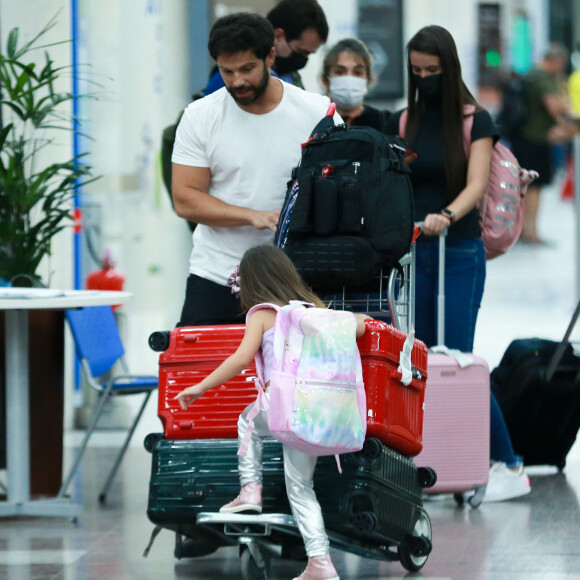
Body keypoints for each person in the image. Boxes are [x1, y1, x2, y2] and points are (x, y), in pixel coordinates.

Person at [384, 25, 531, 502]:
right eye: (417, 70)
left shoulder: (476, 120)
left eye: (433, 70)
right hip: (418, 251)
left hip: (460, 250)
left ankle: (509, 464)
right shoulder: (405, 120)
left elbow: (475, 184)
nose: (424, 78)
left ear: (449, 68)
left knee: (460, 361)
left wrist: (446, 216)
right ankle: (441, 462)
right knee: (424, 364)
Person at [175, 245, 370, 580]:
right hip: (315, 413)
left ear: (251, 283)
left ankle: (250, 490)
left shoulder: (263, 314)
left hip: (282, 409)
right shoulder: (312, 311)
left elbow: (240, 359)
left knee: (247, 420)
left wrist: (199, 387)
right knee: (301, 488)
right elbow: (363, 328)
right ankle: (319, 563)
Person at [171, 12, 339, 327]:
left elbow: (344, 189)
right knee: (200, 370)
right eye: (227, 71)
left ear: (270, 56)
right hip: (217, 273)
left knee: (297, 376)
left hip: (296, 276)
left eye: (247, 69)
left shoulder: (317, 112)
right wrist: (253, 216)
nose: (237, 81)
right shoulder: (199, 116)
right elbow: (185, 198)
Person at [511, 43, 577, 244]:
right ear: (557, 61)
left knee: (526, 185)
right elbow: (555, 107)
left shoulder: (531, 75)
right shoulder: (543, 79)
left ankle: (523, 229)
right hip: (536, 137)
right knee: (535, 186)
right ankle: (530, 231)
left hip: (524, 137)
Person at [204, 0, 329, 95]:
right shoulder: (228, 78)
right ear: (278, 36)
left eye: (309, 54)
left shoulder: (291, 77)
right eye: (301, 52)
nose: (303, 59)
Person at [320, 37, 391, 131]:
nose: (349, 78)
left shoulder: (384, 123)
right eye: (340, 72)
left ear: (368, 79)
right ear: (326, 79)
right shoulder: (316, 120)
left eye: (357, 72)